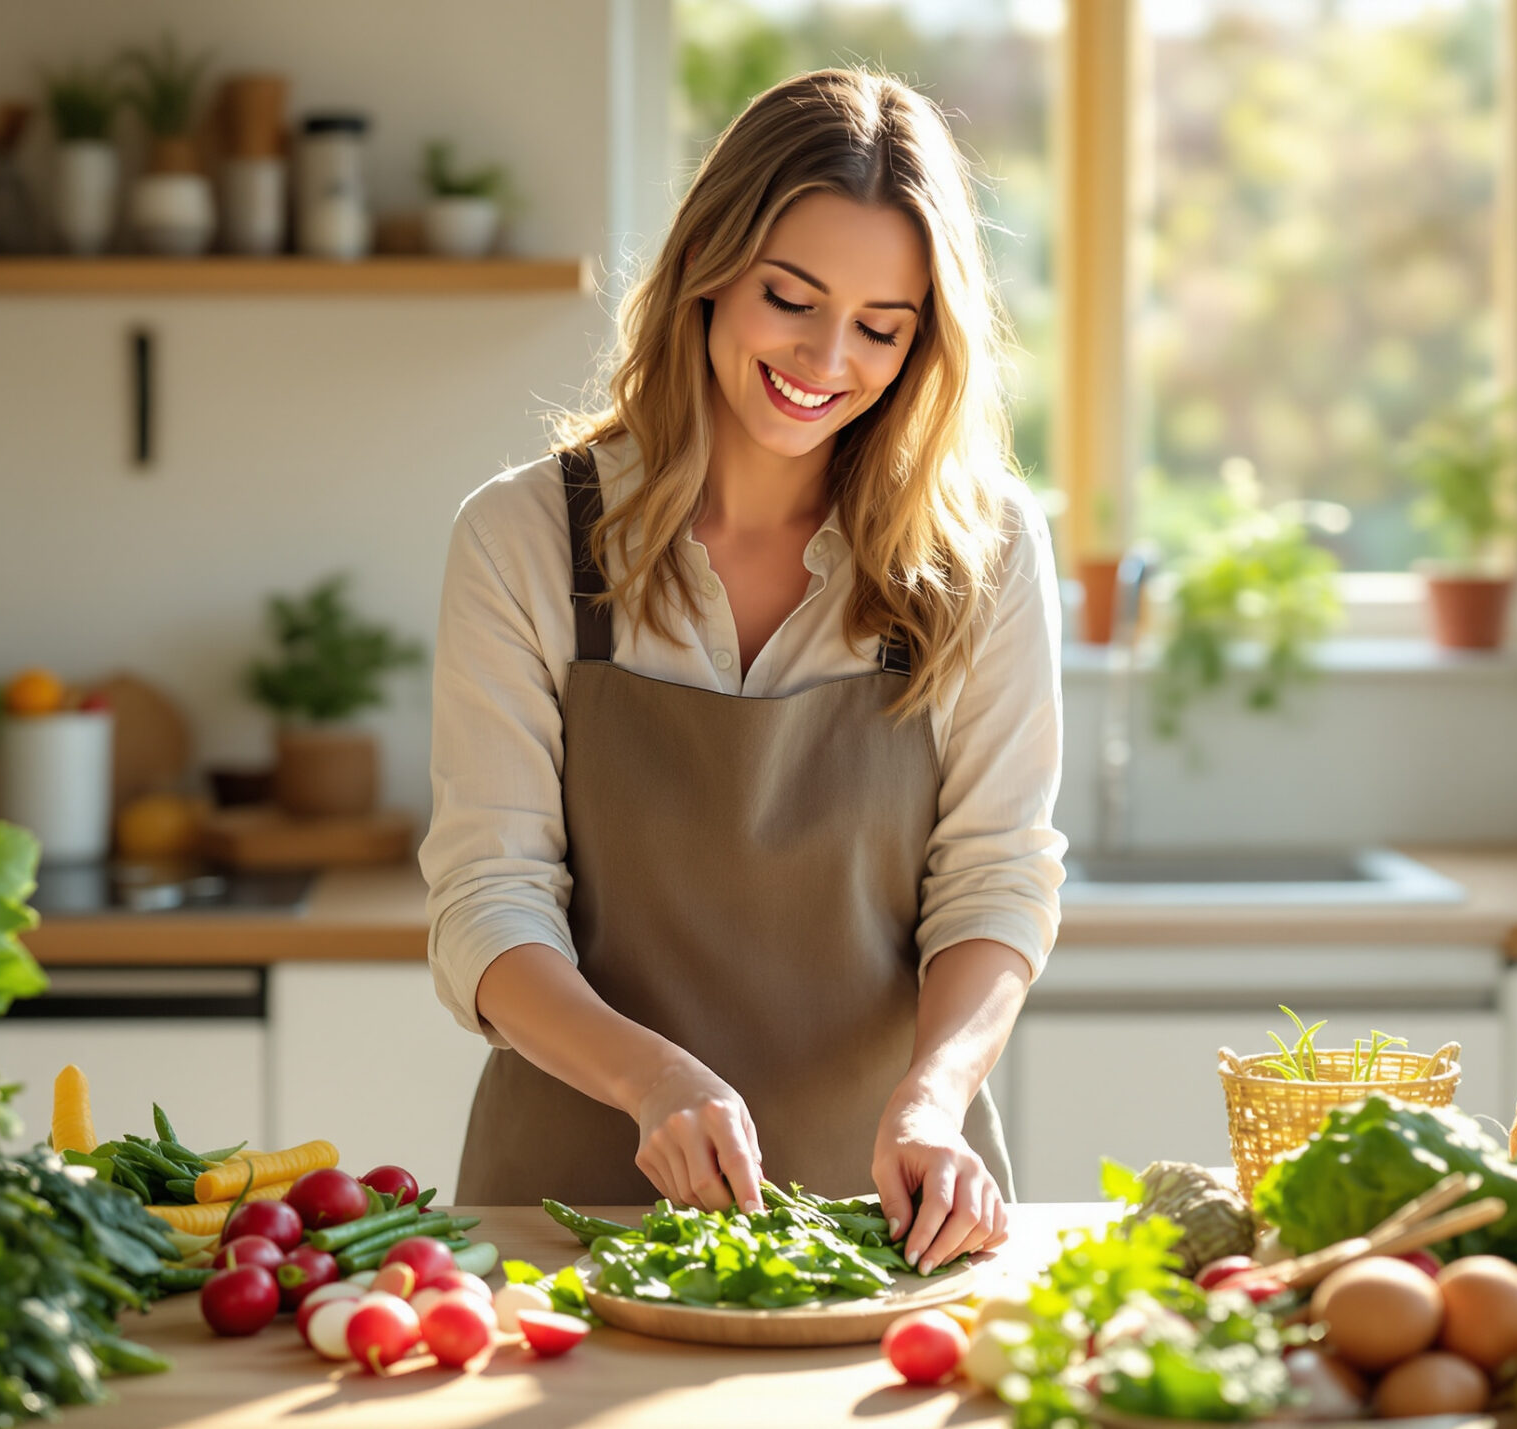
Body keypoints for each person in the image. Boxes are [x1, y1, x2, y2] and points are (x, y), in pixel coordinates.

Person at [419, 67, 1063, 1274]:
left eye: (883, 325)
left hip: (887, 1229)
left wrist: (933, 1100)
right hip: (567, 1214)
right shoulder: (523, 540)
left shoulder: (982, 553)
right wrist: (649, 1076)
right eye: (790, 298)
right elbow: (485, 900)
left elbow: (994, 879)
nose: (828, 358)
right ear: (710, 269)